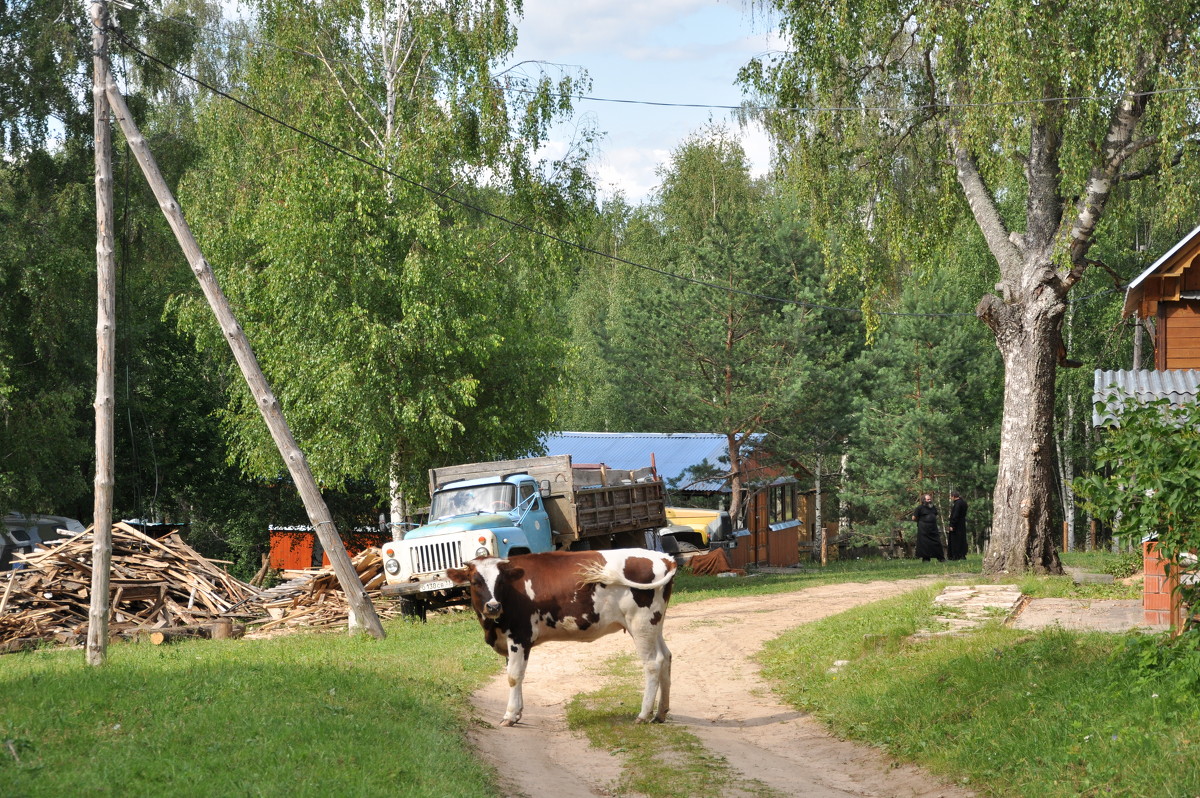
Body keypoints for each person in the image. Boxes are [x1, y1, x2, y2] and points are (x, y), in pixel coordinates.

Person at [910, 492, 943, 562]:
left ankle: (941, 558)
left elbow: (936, 515)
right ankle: (926, 559)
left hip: (933, 528)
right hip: (924, 529)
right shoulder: (919, 508)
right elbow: (913, 518)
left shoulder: (933, 507)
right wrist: (921, 521)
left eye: (930, 499)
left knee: (937, 542)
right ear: (924, 500)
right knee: (925, 544)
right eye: (928, 499)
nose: (930, 500)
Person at [947, 490, 968, 560]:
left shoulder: (957, 504)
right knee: (962, 539)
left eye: (951, 497)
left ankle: (955, 556)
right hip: (962, 523)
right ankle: (962, 555)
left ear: (953, 496)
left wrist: (952, 525)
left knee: (955, 540)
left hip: (957, 524)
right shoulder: (963, 503)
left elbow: (955, 515)